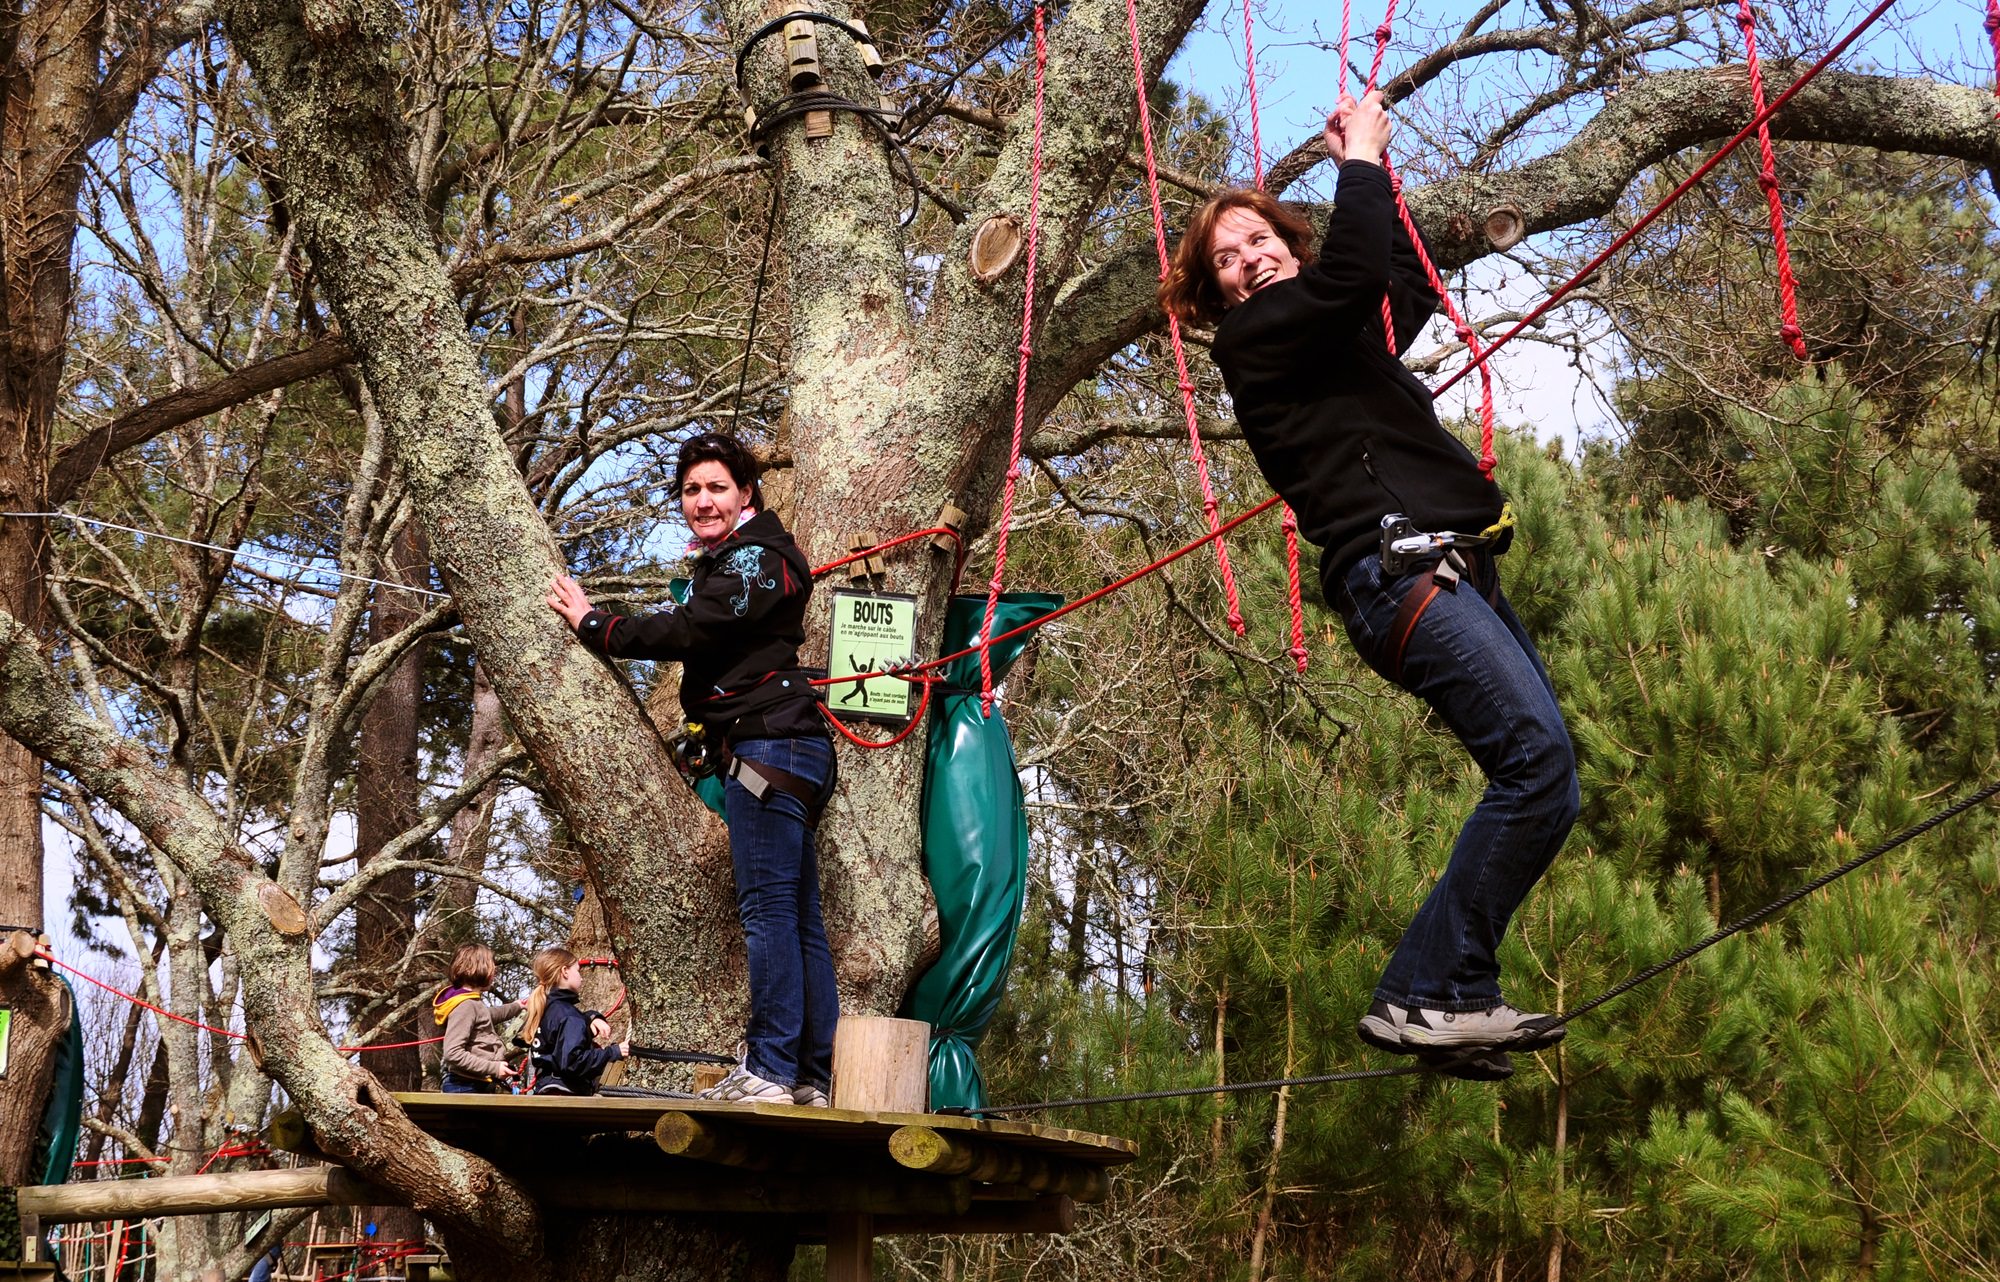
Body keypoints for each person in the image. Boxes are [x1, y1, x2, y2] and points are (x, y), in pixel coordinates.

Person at [1160, 91, 1580, 1079]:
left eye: (1258, 239)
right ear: (1217, 295)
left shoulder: (1330, 345)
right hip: (1398, 571)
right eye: (1226, 258)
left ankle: (1426, 993)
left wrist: (1380, 182)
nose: (1249, 258)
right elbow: (1351, 274)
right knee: (1534, 758)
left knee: (1550, 783)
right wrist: (1358, 154)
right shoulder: (1256, 340)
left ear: (1286, 245)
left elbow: (1388, 284)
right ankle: (1437, 989)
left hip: (1450, 567)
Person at [547, 432, 839, 1106]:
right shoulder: (741, 559)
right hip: (783, 748)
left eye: (717, 488)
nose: (703, 501)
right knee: (796, 920)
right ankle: (808, 1078)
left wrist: (598, 625)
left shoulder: (761, 560)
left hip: (770, 749)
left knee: (771, 917)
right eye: (691, 490)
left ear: (746, 493)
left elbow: (692, 629)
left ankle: (769, 1069)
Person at [521, 946, 631, 1095]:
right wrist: (613, 1052)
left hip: (546, 1089)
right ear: (565, 972)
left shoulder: (544, 1010)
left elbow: (559, 1040)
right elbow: (573, 1062)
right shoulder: (569, 1016)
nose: (581, 977)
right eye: (578, 970)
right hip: (566, 1095)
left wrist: (591, 1018)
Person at [432, 943, 524, 1093]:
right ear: (475, 968)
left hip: (474, 1084)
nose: (495, 970)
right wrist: (493, 1067)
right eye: (490, 965)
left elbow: (488, 1015)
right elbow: (452, 1053)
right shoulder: (465, 1006)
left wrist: (517, 1006)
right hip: (465, 1087)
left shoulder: (471, 1002)